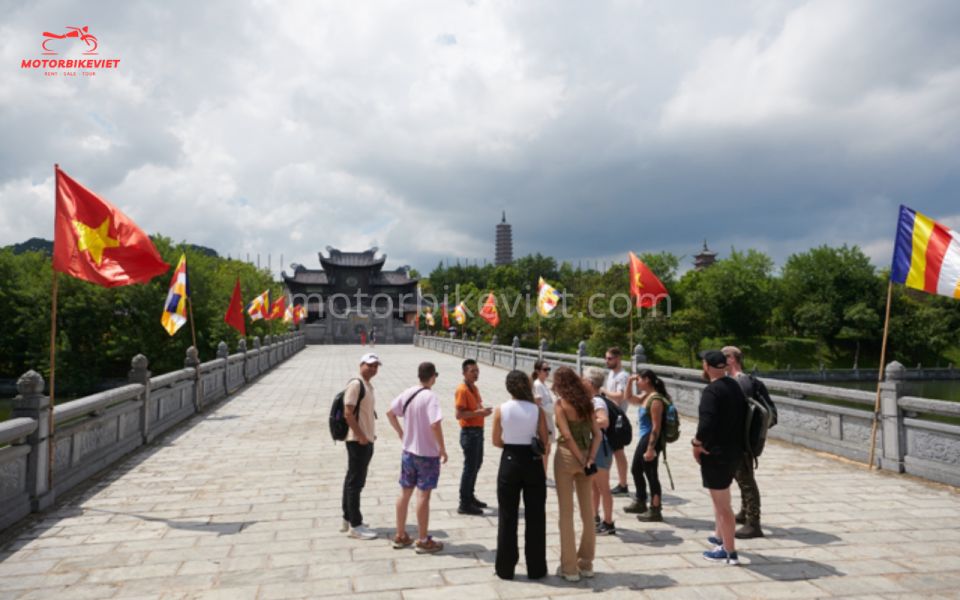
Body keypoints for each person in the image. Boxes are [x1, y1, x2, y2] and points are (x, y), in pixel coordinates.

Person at [492, 370, 550, 580]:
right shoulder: (537, 410)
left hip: (510, 459)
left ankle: (505, 568)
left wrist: (511, 445)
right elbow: (544, 441)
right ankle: (536, 568)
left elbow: (496, 441)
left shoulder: (501, 409)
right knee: (536, 516)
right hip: (532, 461)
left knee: (507, 516)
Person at [386, 362, 448, 554]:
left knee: (405, 493)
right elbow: (435, 425)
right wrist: (442, 448)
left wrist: (401, 433)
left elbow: (390, 412)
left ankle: (400, 534)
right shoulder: (431, 397)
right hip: (427, 455)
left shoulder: (408, 392)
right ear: (433, 376)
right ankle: (422, 540)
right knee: (423, 495)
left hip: (408, 452)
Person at [692, 350, 747, 565]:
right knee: (724, 500)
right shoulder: (734, 386)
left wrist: (696, 444)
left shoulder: (712, 391)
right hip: (734, 452)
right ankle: (722, 539)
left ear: (706, 366)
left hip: (716, 454)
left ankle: (729, 551)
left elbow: (705, 425)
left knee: (722, 505)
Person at [552, 366, 602, 582]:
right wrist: (589, 459)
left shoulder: (560, 404)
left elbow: (566, 435)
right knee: (587, 512)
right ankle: (587, 563)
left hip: (566, 457)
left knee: (566, 513)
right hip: (587, 457)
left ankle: (570, 567)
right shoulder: (587, 404)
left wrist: (580, 459)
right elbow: (598, 435)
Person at [723, 345, 766, 539]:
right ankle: (744, 511)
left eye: (724, 358)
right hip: (738, 440)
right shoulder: (737, 381)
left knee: (746, 479)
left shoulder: (742, 382)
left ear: (732, 359)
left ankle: (753, 522)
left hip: (742, 441)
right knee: (740, 477)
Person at [341, 353, 380, 540]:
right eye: (370, 365)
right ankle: (355, 526)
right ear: (361, 364)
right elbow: (348, 413)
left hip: (365, 439)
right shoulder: (356, 384)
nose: (373, 369)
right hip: (358, 441)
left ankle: (348, 518)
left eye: (375, 366)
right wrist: (361, 436)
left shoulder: (367, 385)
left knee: (352, 480)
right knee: (355, 483)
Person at [624, 369, 667, 522]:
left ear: (647, 380)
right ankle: (640, 500)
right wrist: (629, 382)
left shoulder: (655, 400)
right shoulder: (645, 397)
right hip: (645, 438)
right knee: (636, 469)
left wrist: (650, 448)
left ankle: (656, 509)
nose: (637, 382)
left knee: (651, 473)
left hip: (650, 439)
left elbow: (656, 427)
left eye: (639, 380)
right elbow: (628, 398)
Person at [455, 359, 493, 515]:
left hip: (478, 431)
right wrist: (478, 413)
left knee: (477, 464)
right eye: (472, 371)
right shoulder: (462, 390)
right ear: (464, 373)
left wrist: (483, 410)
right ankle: (464, 502)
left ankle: (470, 496)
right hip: (469, 433)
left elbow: (477, 406)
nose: (476, 374)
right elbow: (459, 414)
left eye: (477, 371)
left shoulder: (474, 388)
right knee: (470, 467)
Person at [582, 368, 615, 535]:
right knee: (594, 486)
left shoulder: (597, 402)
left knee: (603, 487)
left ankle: (609, 523)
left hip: (601, 448)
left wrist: (586, 420)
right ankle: (594, 517)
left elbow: (604, 421)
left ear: (589, 383)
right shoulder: (591, 400)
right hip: (595, 447)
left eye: (583, 379)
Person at [600, 347, 630, 497]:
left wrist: (604, 391)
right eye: (606, 358)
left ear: (618, 358)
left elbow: (620, 396)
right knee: (610, 450)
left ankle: (623, 484)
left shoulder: (623, 376)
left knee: (618, 451)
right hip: (609, 416)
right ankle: (609, 481)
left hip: (617, 417)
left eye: (610, 358)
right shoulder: (611, 373)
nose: (607, 361)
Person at [532, 360, 556, 482]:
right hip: (543, 421)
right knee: (544, 450)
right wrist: (556, 407)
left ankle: (543, 474)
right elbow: (541, 405)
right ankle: (541, 475)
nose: (547, 372)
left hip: (548, 419)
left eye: (548, 369)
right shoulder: (537, 385)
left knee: (547, 450)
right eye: (545, 370)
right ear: (538, 371)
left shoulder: (544, 385)